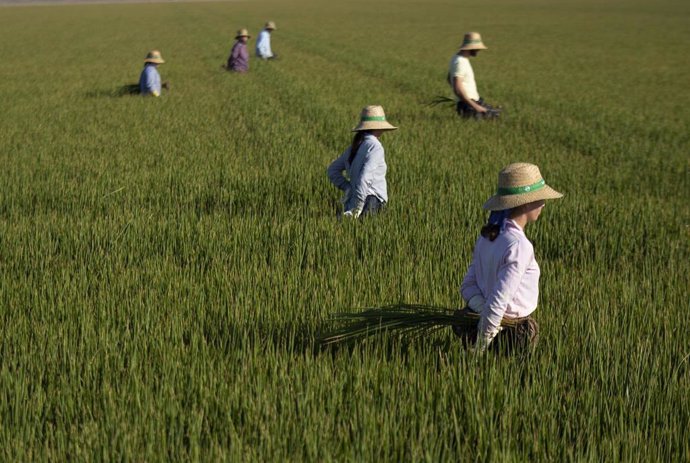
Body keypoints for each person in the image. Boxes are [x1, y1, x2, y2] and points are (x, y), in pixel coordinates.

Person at [456, 163, 563, 352]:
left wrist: (481, 311)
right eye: (539, 199)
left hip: (482, 321)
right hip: (511, 334)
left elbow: (467, 286)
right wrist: (481, 344)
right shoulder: (519, 246)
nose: (543, 204)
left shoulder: (488, 236)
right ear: (526, 203)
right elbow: (499, 299)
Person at [327, 106, 398, 218]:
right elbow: (365, 177)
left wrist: (348, 188)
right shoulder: (375, 147)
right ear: (378, 127)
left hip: (354, 200)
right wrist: (358, 206)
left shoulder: (356, 145)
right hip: (371, 202)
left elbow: (332, 170)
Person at [448, 32, 500, 119]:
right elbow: (457, 88)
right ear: (470, 47)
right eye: (477, 48)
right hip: (468, 106)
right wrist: (476, 107)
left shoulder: (456, 58)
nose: (479, 50)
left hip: (469, 103)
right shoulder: (461, 62)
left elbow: (449, 79)